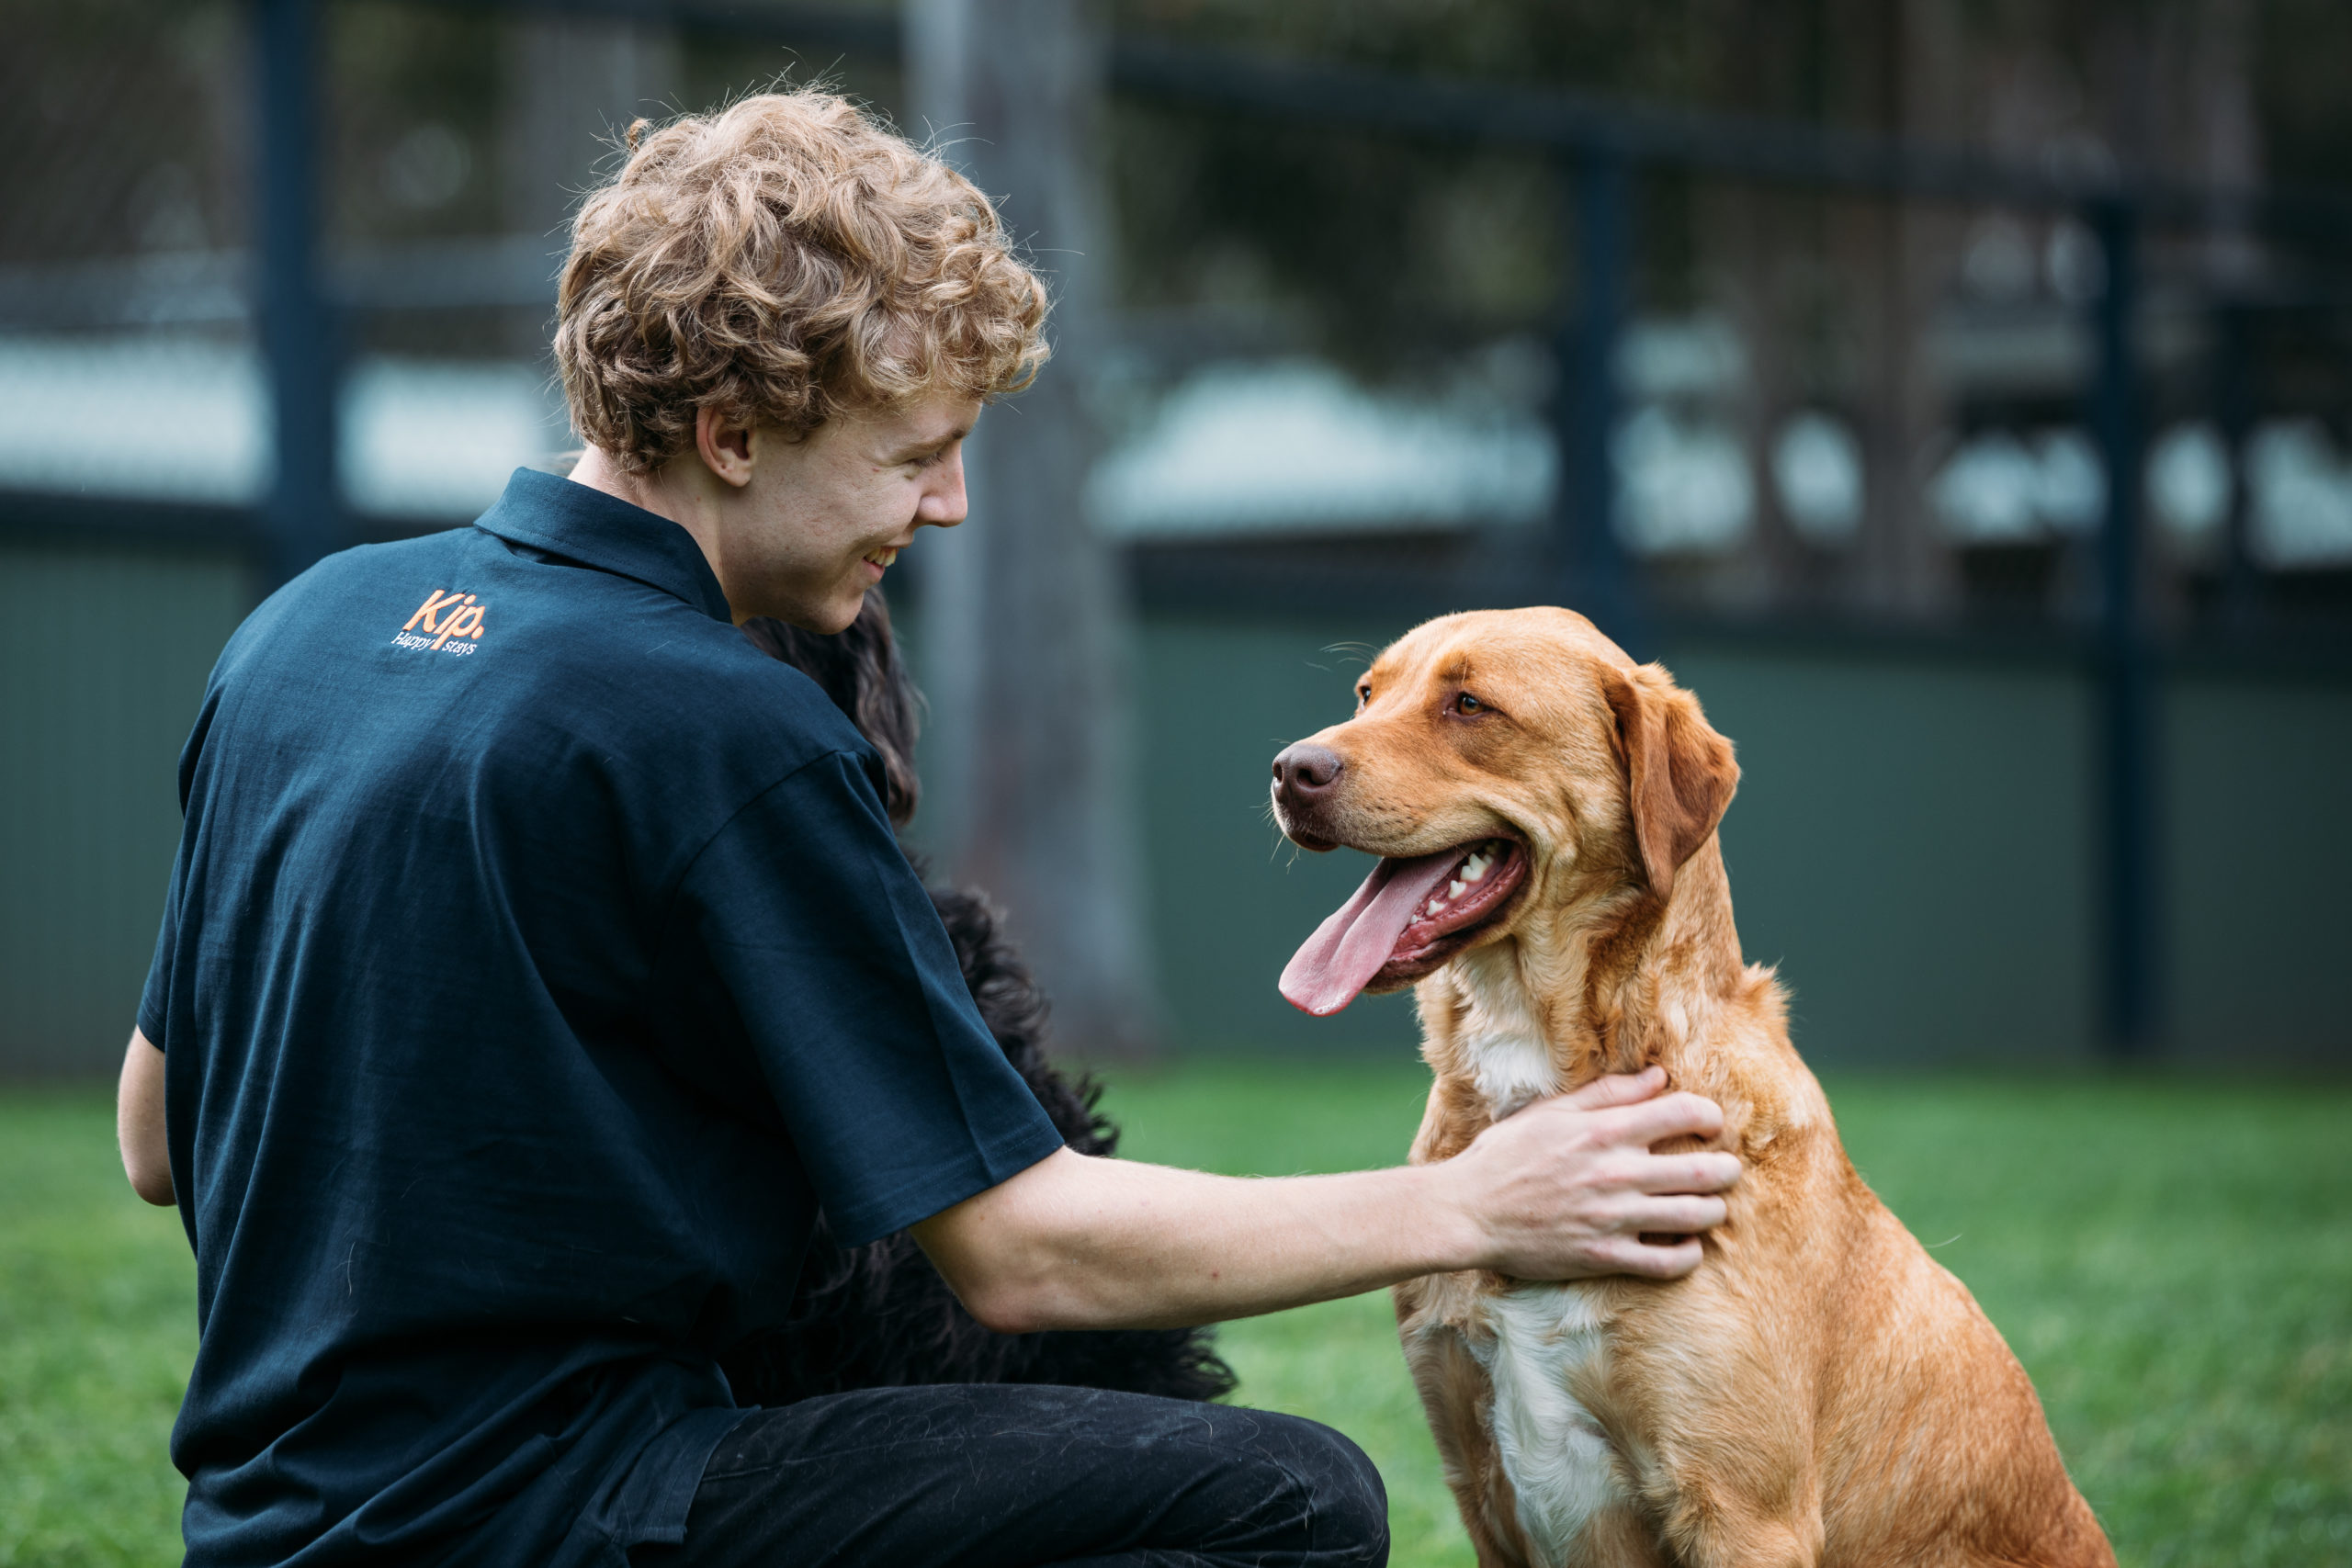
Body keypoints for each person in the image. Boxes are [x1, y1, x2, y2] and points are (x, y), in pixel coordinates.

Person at [115, 89, 1742, 1568]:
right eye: (917, 455)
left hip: (264, 1534)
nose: (948, 506)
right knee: (1285, 1500)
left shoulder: (302, 630)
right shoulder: (723, 719)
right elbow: (1026, 1256)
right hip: (567, 1517)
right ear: (733, 435)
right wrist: (1481, 1203)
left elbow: (155, 1137)